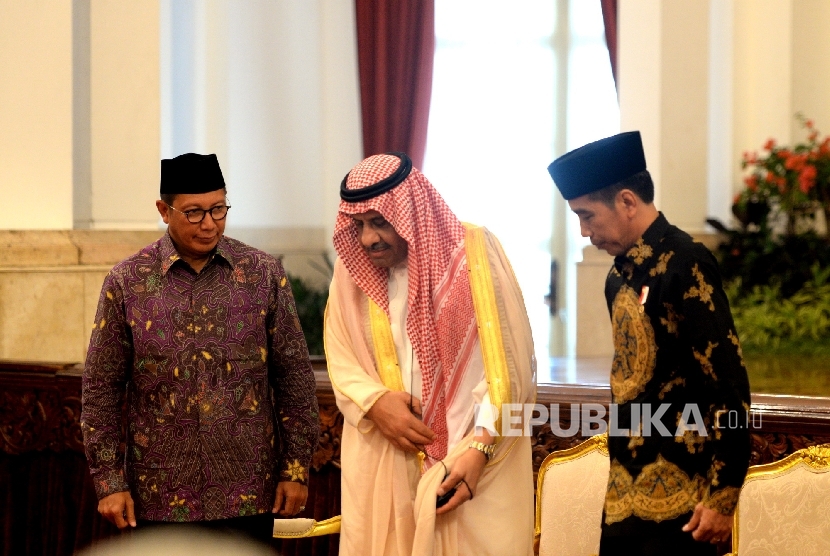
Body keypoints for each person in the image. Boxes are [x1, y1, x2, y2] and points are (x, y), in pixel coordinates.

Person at [81, 153, 320, 545]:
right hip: (159, 494)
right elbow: (100, 390)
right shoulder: (127, 282)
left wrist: (294, 469)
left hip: (250, 492)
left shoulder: (262, 275)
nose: (210, 224)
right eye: (194, 213)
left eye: (219, 209)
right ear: (164, 210)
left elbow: (293, 377)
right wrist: (109, 481)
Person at [548, 132, 751, 556]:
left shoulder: (685, 263)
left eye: (587, 216)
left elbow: (727, 384)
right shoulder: (617, 276)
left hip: (686, 496)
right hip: (625, 490)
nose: (584, 232)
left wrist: (723, 494)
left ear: (626, 201)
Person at [324, 153, 537, 555]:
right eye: (359, 225)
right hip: (386, 456)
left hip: (475, 465)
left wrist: (479, 448)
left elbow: (512, 367)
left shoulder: (473, 254)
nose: (368, 238)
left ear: (409, 212)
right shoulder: (351, 272)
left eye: (380, 221)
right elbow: (340, 357)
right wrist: (375, 404)